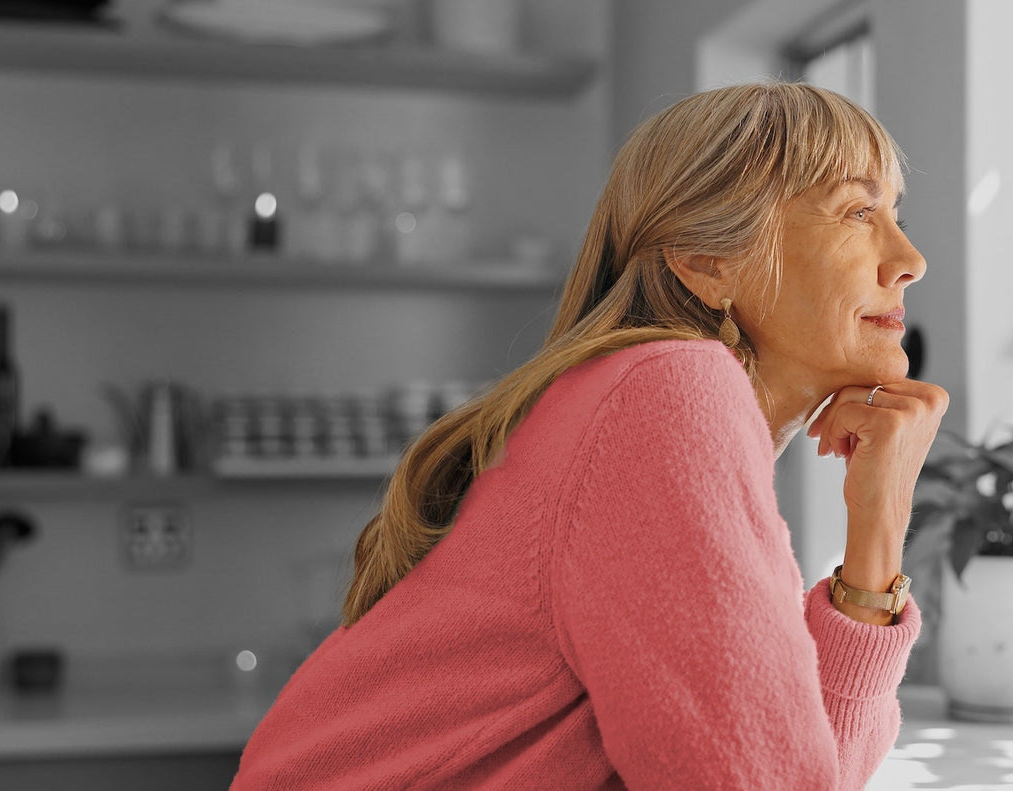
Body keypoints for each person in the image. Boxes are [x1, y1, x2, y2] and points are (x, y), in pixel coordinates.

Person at [230, 81, 948, 790]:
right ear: (706, 264)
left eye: (895, 213)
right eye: (859, 211)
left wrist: (878, 522)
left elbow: (807, 765)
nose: (909, 257)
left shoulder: (649, 400)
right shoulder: (667, 390)